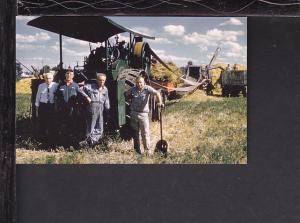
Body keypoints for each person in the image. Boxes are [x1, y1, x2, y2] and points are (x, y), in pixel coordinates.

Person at [125, 76, 163, 154]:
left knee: (145, 133)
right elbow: (126, 94)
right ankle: (137, 151)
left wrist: (159, 102)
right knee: (135, 133)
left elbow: (157, 93)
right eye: (137, 82)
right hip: (134, 114)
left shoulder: (147, 89)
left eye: (140, 82)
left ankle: (147, 150)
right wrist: (128, 101)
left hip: (143, 114)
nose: (139, 84)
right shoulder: (133, 89)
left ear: (144, 83)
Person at [55, 69, 90, 144]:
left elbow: (81, 94)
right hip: (63, 110)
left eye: (71, 74)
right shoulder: (60, 85)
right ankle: (63, 143)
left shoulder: (75, 85)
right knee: (63, 126)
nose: (69, 75)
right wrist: (57, 107)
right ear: (65, 75)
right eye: (67, 73)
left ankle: (72, 143)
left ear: (73, 76)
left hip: (73, 110)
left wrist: (87, 98)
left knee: (73, 126)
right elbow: (56, 97)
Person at [79, 73, 110, 147]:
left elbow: (106, 100)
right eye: (100, 80)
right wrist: (87, 97)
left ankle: (91, 142)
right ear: (97, 80)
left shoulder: (105, 89)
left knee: (100, 128)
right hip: (92, 107)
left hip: (101, 108)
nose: (102, 82)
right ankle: (86, 144)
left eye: (103, 80)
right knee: (91, 127)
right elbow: (79, 89)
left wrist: (107, 109)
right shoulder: (90, 86)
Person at [35, 71, 59, 143]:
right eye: (47, 78)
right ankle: (42, 140)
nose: (48, 80)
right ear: (44, 79)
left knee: (52, 123)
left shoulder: (56, 85)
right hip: (43, 106)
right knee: (42, 123)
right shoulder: (41, 86)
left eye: (50, 78)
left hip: (52, 106)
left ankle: (52, 140)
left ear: (53, 79)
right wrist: (37, 110)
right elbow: (38, 97)